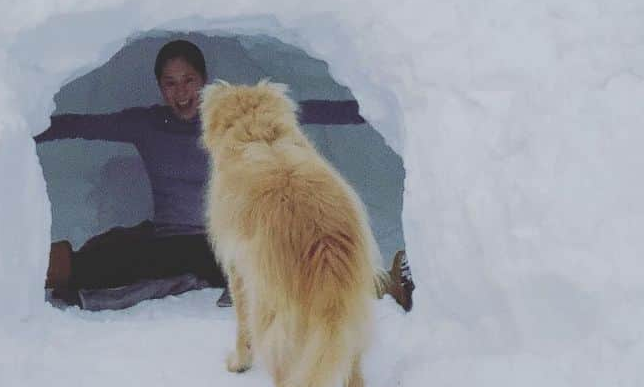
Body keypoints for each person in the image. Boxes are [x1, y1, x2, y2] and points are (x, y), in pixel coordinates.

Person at [36, 39, 412, 308]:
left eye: (188, 80)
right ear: (159, 87)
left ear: (204, 79)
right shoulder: (145, 124)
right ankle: (23, 277)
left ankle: (384, 285)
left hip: (225, 240)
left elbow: (306, 111)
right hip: (167, 237)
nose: (181, 92)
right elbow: (84, 124)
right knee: (107, 252)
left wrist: (381, 106)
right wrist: (26, 122)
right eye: (170, 83)